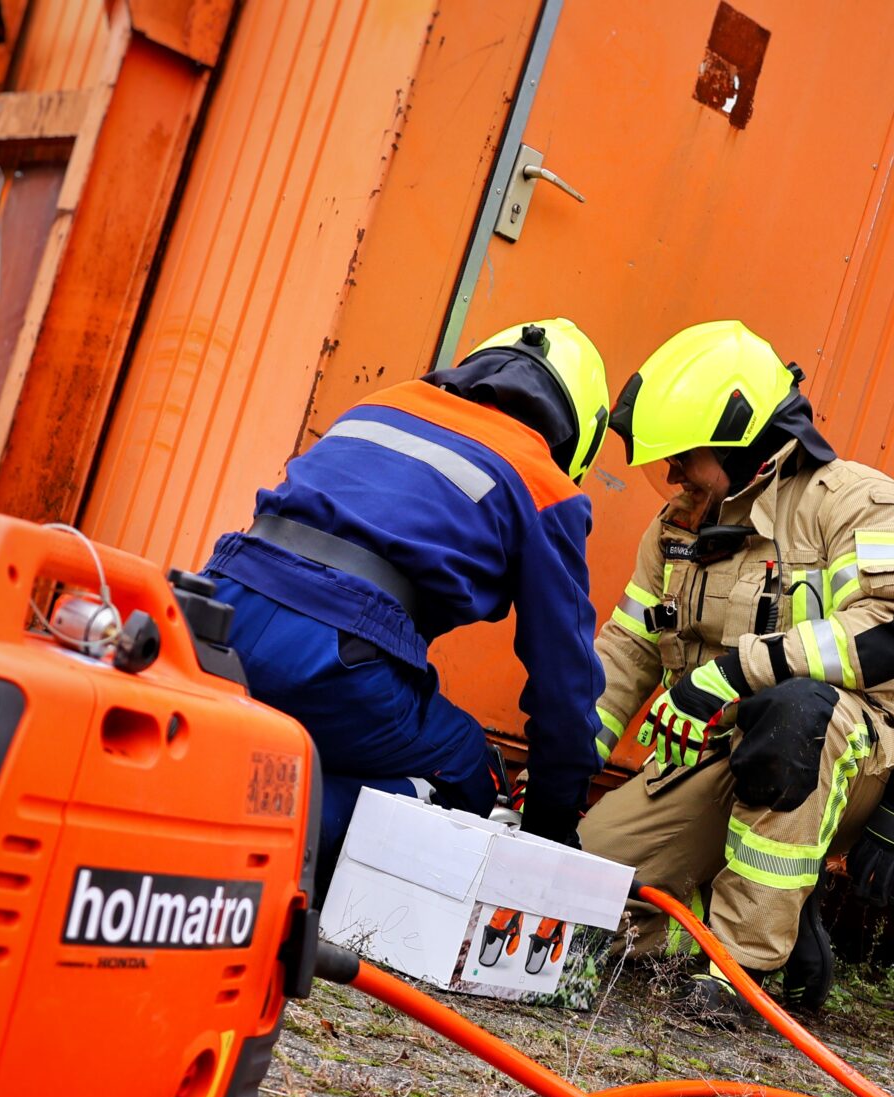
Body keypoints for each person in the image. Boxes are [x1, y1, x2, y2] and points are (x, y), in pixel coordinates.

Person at [581, 321, 894, 1026]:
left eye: (685, 458)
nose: (674, 476)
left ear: (740, 439)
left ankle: (741, 970)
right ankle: (763, 907)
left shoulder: (852, 501)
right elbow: (626, 652)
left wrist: (729, 675)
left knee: (796, 714)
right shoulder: (676, 530)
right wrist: (567, 762)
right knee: (593, 876)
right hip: (725, 753)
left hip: (847, 753)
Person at [197, 319, 613, 860]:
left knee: (291, 733)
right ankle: (262, 825)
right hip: (336, 652)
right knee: (469, 769)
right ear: (578, 434)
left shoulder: (383, 404)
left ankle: (200, 810)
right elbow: (565, 686)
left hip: (219, 606)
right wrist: (552, 821)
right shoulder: (544, 483)